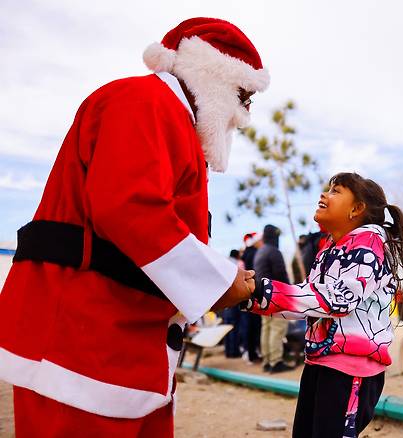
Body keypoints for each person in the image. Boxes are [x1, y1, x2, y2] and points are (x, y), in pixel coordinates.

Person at [0, 18, 266, 437]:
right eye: (243, 96)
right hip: (81, 342)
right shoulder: (144, 102)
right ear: (213, 75)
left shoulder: (171, 123)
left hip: (120, 346)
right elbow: (128, 207)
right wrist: (218, 283)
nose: (243, 116)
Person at [245, 172, 403, 438]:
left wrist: (261, 290)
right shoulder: (331, 248)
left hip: (350, 368)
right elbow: (308, 296)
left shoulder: (368, 244)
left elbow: (338, 299)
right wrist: (251, 297)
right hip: (321, 362)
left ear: (357, 209)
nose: (324, 195)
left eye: (336, 191)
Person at [255, 224, 294, 373]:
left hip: (261, 296)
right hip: (275, 295)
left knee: (266, 328)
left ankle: (267, 361)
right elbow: (281, 274)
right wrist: (290, 293)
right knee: (277, 328)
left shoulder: (260, 251)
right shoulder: (274, 252)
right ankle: (276, 362)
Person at [239, 233, 263, 363]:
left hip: (245, 294)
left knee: (248, 324)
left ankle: (249, 351)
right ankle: (251, 353)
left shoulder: (245, 254)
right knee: (252, 325)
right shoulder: (254, 253)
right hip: (253, 293)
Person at [223, 250, 246, 358]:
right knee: (234, 327)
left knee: (227, 327)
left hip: (224, 300)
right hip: (233, 299)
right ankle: (234, 352)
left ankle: (228, 351)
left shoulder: (224, 262)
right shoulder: (235, 265)